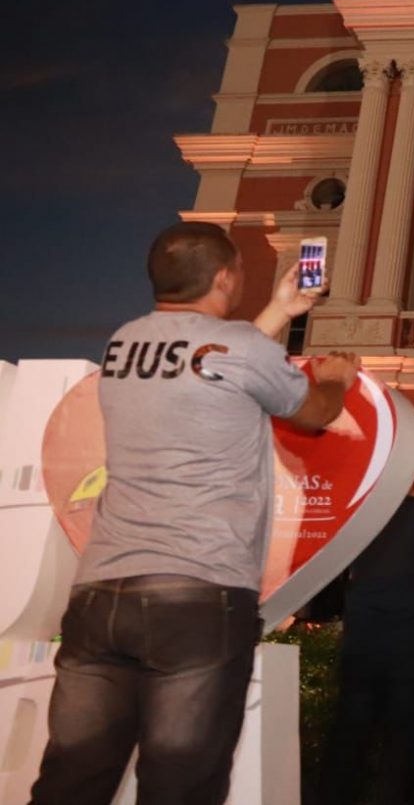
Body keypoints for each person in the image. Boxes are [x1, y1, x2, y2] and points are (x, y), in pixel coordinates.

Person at [32, 222, 356, 805]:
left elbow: (208, 362)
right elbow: (311, 411)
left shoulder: (125, 343)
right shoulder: (241, 350)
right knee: (180, 786)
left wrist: (280, 310)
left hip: (102, 595)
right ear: (226, 277)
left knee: (72, 781)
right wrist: (334, 380)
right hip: (199, 597)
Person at [320, 453, 414, 804]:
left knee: (348, 742)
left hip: (360, 648)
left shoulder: (361, 513)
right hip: (409, 654)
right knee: (400, 749)